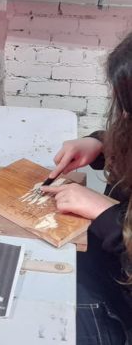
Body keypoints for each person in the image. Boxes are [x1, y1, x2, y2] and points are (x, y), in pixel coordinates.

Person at [41, 32, 132, 345]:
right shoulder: (127, 121)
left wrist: (104, 213)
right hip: (107, 264)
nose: (122, 115)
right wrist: (99, 144)